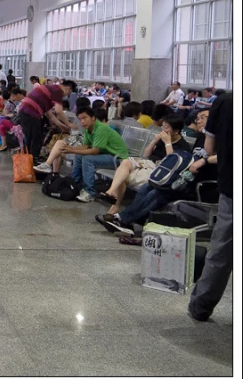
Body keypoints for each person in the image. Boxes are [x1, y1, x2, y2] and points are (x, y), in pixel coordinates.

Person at [188, 93, 232, 322]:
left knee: (222, 251)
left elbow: (209, 145)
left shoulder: (225, 103)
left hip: (233, 188)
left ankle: (201, 306)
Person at [95, 114, 192, 213]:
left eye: (166, 127)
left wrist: (168, 143)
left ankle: (114, 206)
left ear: (176, 131)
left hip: (159, 172)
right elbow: (146, 155)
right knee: (125, 162)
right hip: (147, 163)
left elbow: (172, 163)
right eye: (162, 126)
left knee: (123, 177)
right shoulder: (162, 139)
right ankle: (111, 192)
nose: (163, 130)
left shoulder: (183, 146)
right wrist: (154, 141)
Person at [35, 107, 128, 202]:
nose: (82, 121)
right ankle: (75, 185)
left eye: (84, 118)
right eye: (80, 119)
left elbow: (95, 151)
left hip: (117, 158)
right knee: (79, 156)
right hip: (105, 154)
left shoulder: (101, 128)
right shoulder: (88, 129)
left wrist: (72, 151)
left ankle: (89, 192)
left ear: (93, 118)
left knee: (88, 159)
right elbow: (86, 146)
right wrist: (71, 148)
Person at [17, 80, 75, 159]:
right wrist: (68, 124)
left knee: (31, 138)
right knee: (36, 138)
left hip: (25, 112)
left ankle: (28, 160)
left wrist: (60, 125)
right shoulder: (58, 91)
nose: (66, 96)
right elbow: (59, 111)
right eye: (69, 93)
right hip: (30, 112)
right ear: (68, 88)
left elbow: (49, 113)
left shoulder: (51, 89)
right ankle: (33, 160)